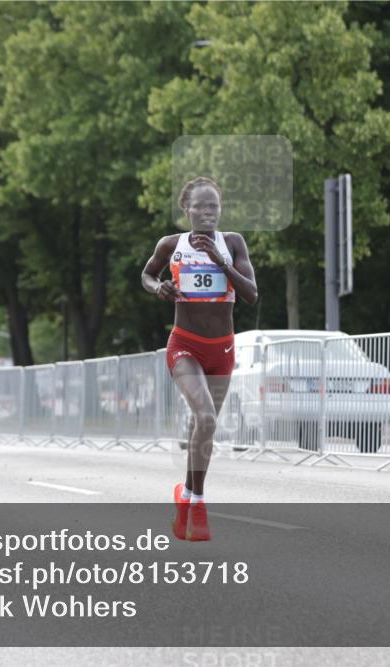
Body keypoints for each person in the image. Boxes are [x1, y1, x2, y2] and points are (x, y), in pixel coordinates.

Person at [141, 177, 258, 541]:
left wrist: (222, 263)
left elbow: (251, 294)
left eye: (214, 207)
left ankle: (185, 499)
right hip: (185, 345)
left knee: (203, 429)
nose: (208, 213)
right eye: (201, 207)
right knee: (205, 416)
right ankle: (199, 506)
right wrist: (158, 287)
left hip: (222, 348)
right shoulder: (170, 245)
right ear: (186, 209)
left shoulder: (233, 243)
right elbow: (146, 274)